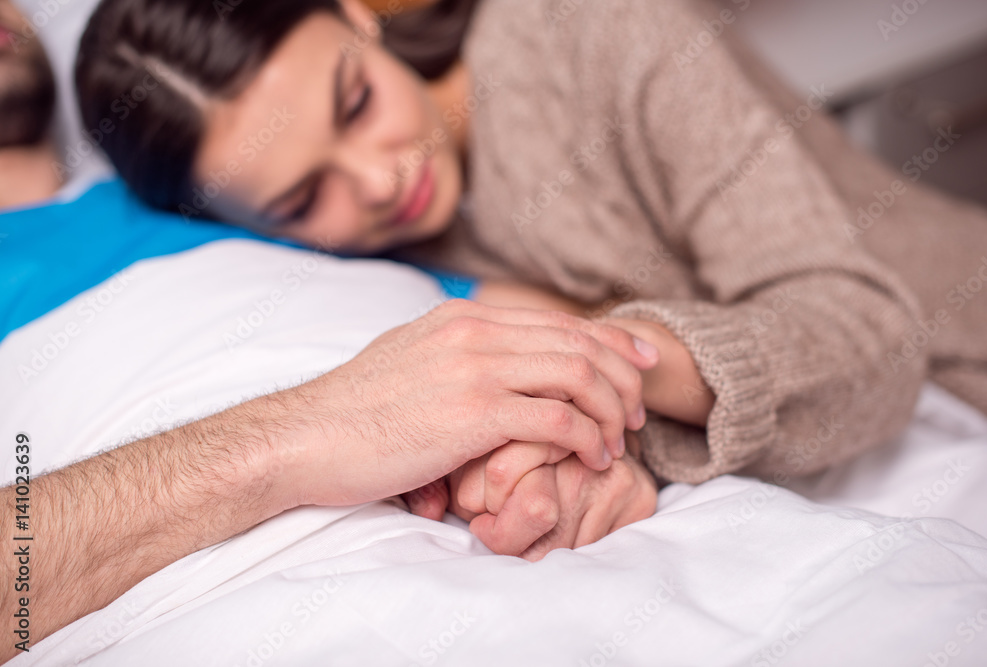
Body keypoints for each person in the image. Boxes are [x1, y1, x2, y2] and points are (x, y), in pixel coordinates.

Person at [74, 0, 987, 533]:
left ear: (358, 13)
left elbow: (869, 335)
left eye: (354, 102)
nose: (380, 178)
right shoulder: (371, 274)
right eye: (302, 198)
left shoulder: (592, 26)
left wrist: (598, 363)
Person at [0, 0, 660, 655]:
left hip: (579, 569)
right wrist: (311, 432)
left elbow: (597, 347)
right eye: (304, 196)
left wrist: (568, 441)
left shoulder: (212, 179)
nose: (376, 179)